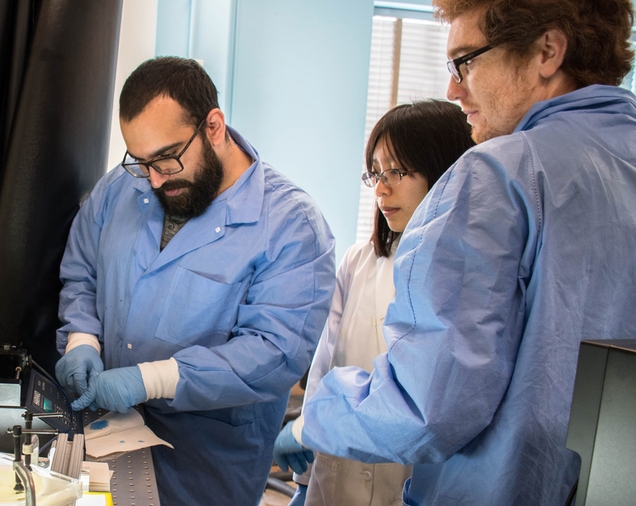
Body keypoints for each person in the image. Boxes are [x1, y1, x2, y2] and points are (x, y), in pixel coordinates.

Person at [273, 1, 636, 505]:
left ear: (548, 51)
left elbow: (428, 407)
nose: (453, 88)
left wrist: (312, 421)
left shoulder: (501, 174)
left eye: (467, 60)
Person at [54, 56, 336, 506]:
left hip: (205, 469)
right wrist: (82, 339)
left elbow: (274, 352)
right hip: (101, 445)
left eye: (166, 159)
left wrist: (153, 380)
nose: (153, 179)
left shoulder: (291, 225)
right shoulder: (120, 189)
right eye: (140, 161)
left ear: (214, 126)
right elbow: (81, 271)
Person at [278, 101, 475, 506]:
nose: (382, 188)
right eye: (376, 173)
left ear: (444, 172)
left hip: (407, 484)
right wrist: (302, 476)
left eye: (398, 172)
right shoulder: (358, 262)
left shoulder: (467, 273)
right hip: (336, 477)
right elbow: (324, 370)